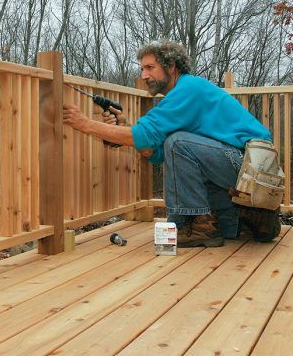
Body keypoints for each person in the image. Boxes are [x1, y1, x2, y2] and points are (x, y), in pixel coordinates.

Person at [62, 40, 280, 247]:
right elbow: (154, 152)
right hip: (244, 171)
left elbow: (147, 137)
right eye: (142, 69)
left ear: (171, 66)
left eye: (150, 67)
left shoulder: (189, 89)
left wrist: (84, 124)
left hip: (253, 169)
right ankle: (249, 218)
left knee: (176, 142)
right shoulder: (181, 94)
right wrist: (126, 129)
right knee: (174, 145)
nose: (144, 75)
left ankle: (192, 224)